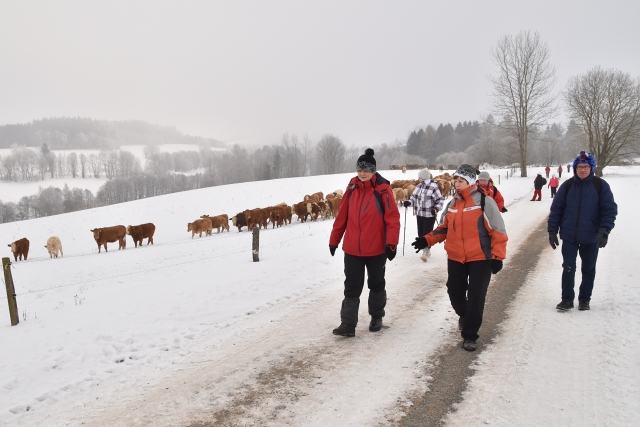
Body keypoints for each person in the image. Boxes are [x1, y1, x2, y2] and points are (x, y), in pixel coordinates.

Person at [411, 165, 507, 351]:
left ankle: (470, 335)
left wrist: (497, 256)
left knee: (476, 297)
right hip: (456, 256)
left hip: (480, 257)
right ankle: (465, 315)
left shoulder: (485, 202)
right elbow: (443, 228)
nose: (456, 184)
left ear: (471, 182)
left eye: (460, 180)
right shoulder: (452, 204)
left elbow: (498, 230)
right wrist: (426, 240)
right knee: (454, 292)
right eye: (455, 180)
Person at [329, 148, 401, 337]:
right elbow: (342, 217)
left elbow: (392, 219)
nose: (362, 173)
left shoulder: (383, 191)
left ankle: (377, 316)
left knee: (376, 283)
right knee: (351, 286)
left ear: (373, 171)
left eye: (366, 170)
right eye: (360, 170)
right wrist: (334, 240)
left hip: (377, 249)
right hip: (352, 248)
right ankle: (348, 324)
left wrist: (391, 243)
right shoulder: (351, 189)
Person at [548, 151, 617, 311]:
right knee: (568, 267)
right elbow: (556, 209)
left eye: (586, 166)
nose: (583, 170)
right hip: (569, 235)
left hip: (591, 236)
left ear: (591, 168)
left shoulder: (600, 185)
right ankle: (567, 299)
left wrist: (604, 230)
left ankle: (584, 299)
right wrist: (552, 231)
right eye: (579, 167)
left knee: (588, 269)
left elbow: (609, 209)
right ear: (575, 168)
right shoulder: (567, 186)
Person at [402, 167, 444, 262]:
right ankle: (425, 248)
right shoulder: (419, 186)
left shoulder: (433, 186)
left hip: (429, 214)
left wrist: (436, 209)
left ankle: (426, 251)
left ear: (424, 177)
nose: (418, 179)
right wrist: (409, 202)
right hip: (419, 213)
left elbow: (440, 200)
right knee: (420, 233)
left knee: (427, 233)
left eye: (420, 177)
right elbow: (414, 198)